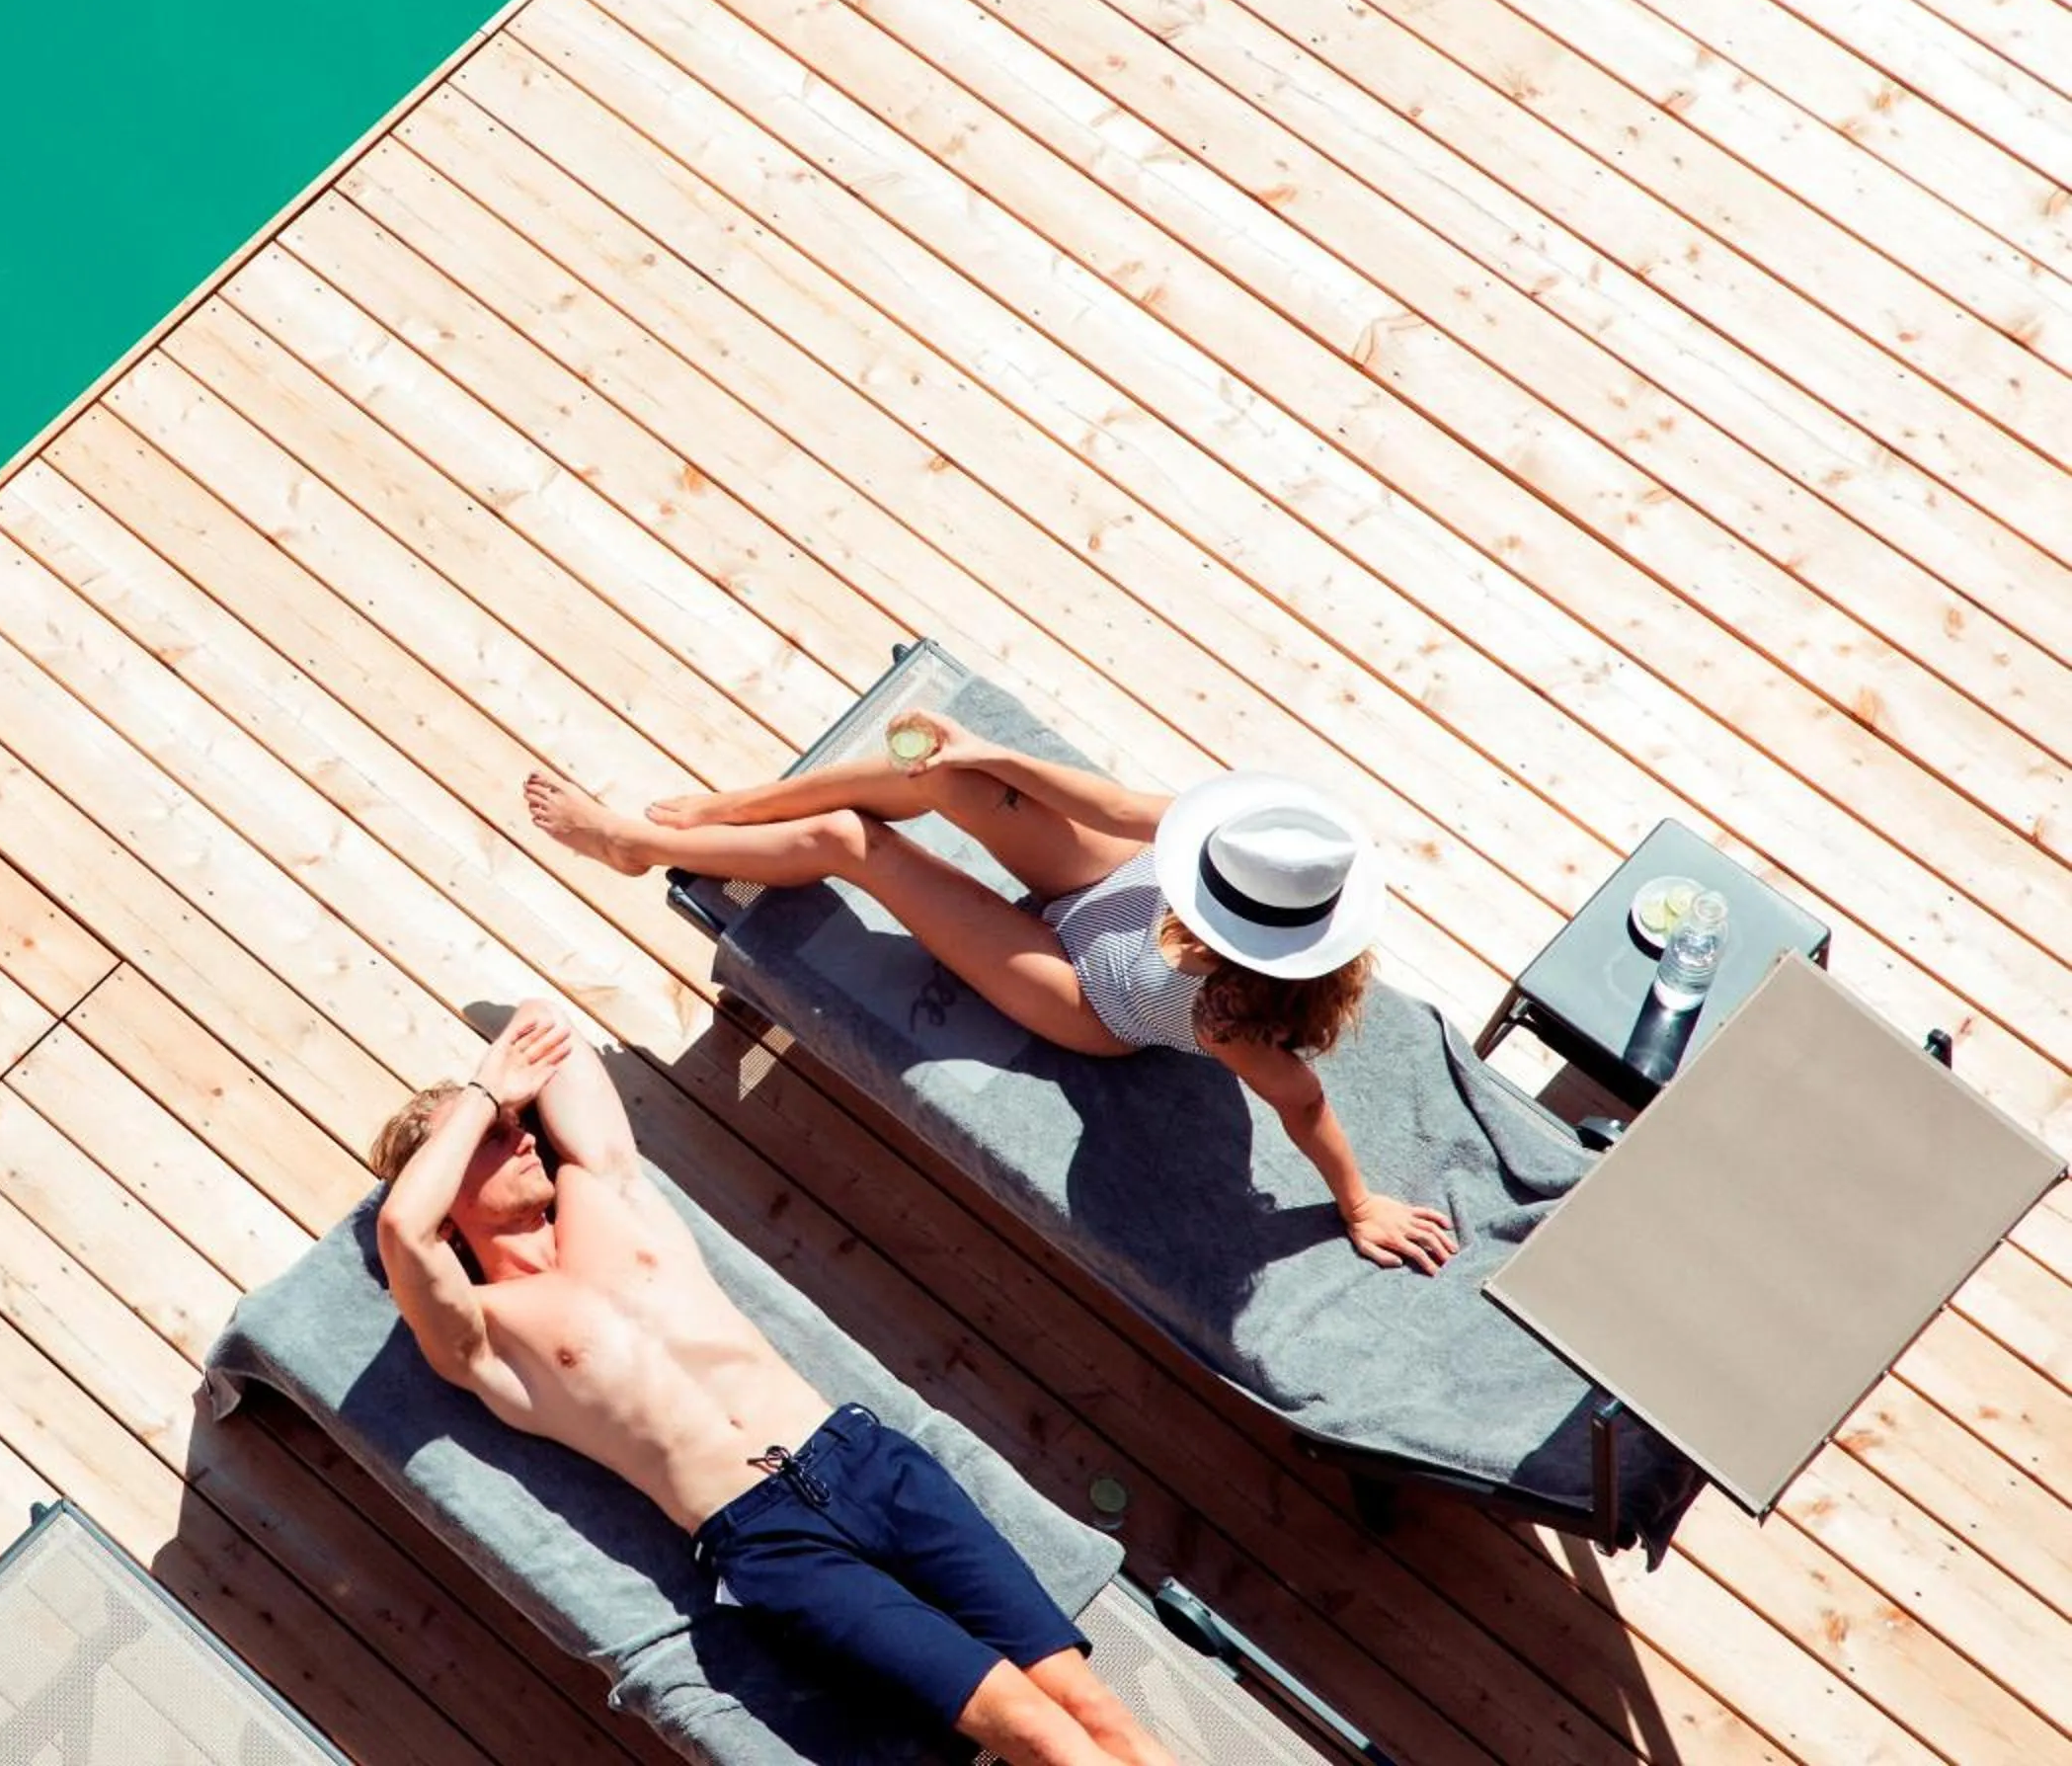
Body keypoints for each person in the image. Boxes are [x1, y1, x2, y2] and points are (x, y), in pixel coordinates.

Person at [372, 1003, 1177, 1766]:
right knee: (1036, 1735)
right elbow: (402, 1227)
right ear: (448, 1202)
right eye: (489, 1136)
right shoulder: (483, 1331)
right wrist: (479, 1098)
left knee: (1089, 1705)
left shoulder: (605, 1191)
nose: (517, 1133)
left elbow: (548, 1026)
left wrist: (495, 1086)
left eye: (516, 1121)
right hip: (771, 1543)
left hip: (867, 1462)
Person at [522, 710, 1457, 1275]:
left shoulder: (1232, 1016)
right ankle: (730, 810)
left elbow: (1302, 1103)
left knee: (861, 845)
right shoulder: (1259, 848)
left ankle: (637, 845)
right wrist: (990, 755)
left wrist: (1360, 1202)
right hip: (1115, 895)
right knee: (947, 771)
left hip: (1093, 996)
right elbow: (1112, 809)